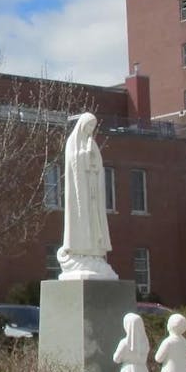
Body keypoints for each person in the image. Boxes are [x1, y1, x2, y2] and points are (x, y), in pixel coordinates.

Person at [56, 113, 117, 280]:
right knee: (82, 222)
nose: (91, 130)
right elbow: (73, 163)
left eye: (93, 127)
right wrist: (84, 154)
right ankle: (80, 253)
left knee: (95, 222)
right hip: (79, 193)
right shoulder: (72, 142)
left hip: (92, 192)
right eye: (89, 126)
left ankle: (95, 255)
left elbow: (99, 166)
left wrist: (93, 158)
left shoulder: (93, 144)